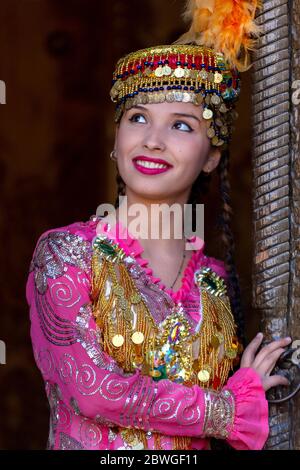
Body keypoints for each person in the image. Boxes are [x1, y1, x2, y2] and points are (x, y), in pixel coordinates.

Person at [26, 0, 291, 450]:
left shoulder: (215, 283)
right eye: (138, 118)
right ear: (116, 141)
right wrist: (225, 409)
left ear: (211, 157)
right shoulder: (66, 254)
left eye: (182, 126)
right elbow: (94, 392)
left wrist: (247, 388)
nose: (152, 139)